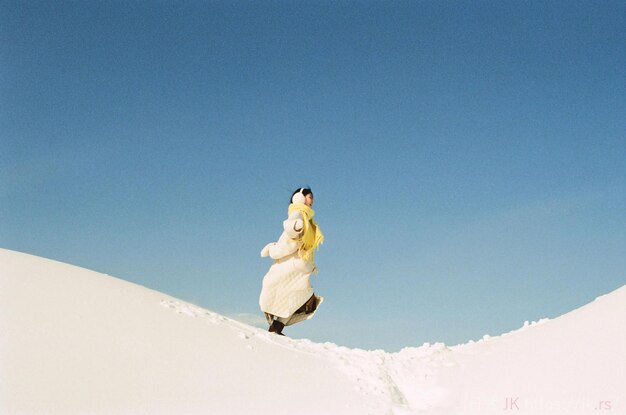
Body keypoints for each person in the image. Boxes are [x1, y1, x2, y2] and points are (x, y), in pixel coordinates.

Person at [259, 187, 324, 335]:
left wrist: (273, 250)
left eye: (312, 197)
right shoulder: (300, 213)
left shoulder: (305, 216)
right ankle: (275, 326)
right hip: (295, 263)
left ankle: (276, 326)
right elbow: (292, 229)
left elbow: (297, 240)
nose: (312, 200)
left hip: (297, 264)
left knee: (295, 296)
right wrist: (295, 228)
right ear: (299, 198)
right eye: (309, 197)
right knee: (292, 295)